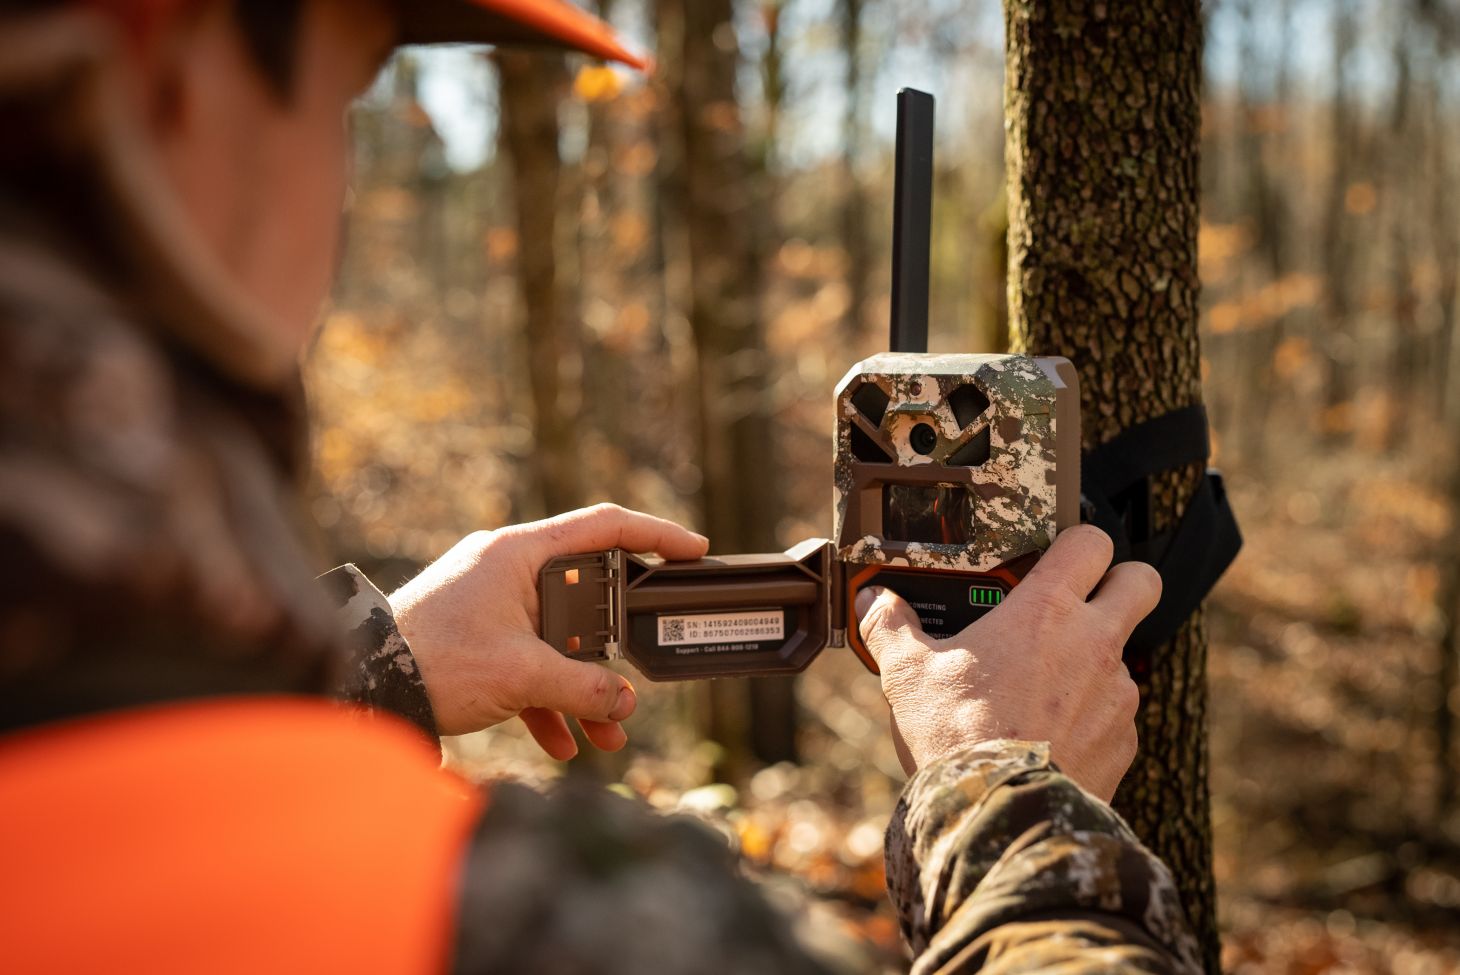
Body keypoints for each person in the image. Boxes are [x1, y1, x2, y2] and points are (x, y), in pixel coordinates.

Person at [0, 0, 1202, 971]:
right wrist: (1008, 802)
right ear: (166, 69)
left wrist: (369, 668)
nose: (348, 188)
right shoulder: (539, 932)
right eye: (348, 87)